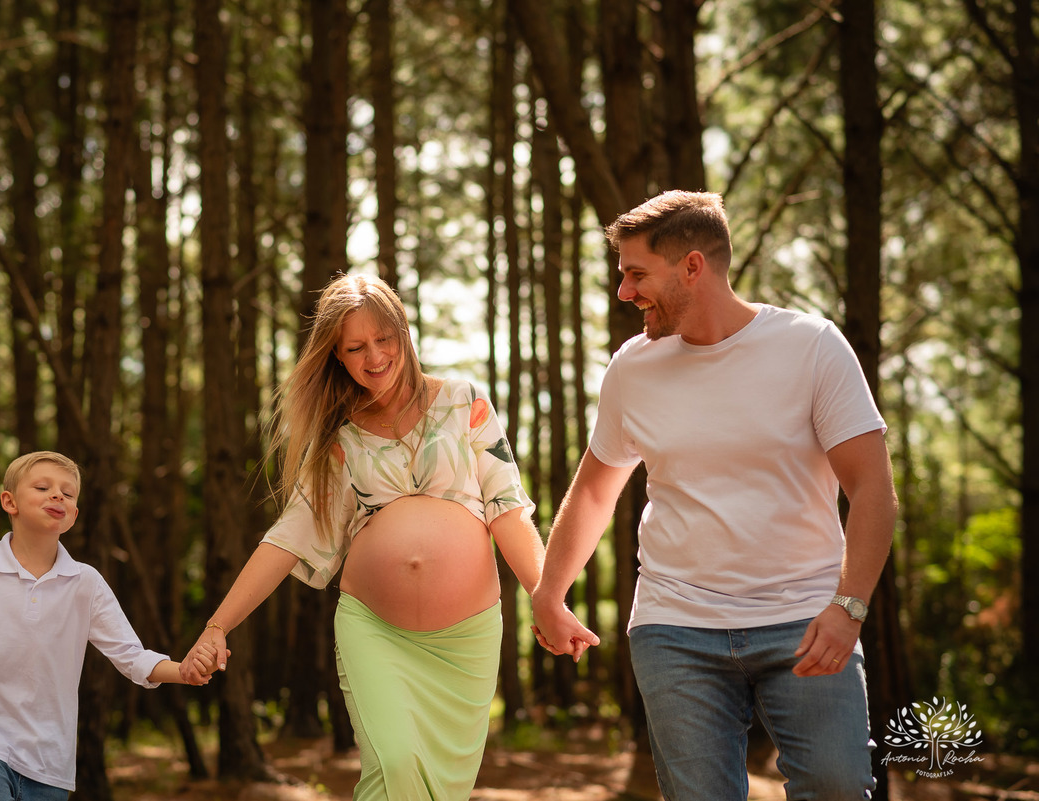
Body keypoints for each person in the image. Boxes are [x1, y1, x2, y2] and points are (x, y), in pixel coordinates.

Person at [530, 191, 898, 800]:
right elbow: (596, 491)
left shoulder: (811, 347)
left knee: (837, 787)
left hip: (804, 616)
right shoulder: (633, 368)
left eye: (636, 274)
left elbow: (872, 488)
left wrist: (850, 606)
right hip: (676, 627)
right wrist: (549, 592)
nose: (624, 291)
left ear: (692, 266)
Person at [180, 272, 544, 801]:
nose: (374, 356)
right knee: (396, 764)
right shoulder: (340, 437)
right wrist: (217, 625)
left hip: (467, 638)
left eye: (384, 338)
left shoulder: (464, 402)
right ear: (337, 357)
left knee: (438, 791)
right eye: (355, 347)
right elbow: (289, 535)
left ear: (404, 332)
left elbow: (508, 509)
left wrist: (547, 598)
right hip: (375, 632)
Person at [0, 450, 215, 799]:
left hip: (50, 755)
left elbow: (131, 655)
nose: (57, 495)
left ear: (74, 514)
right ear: (9, 502)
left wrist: (183, 671)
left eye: (68, 493)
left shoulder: (85, 582)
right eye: (42, 487)